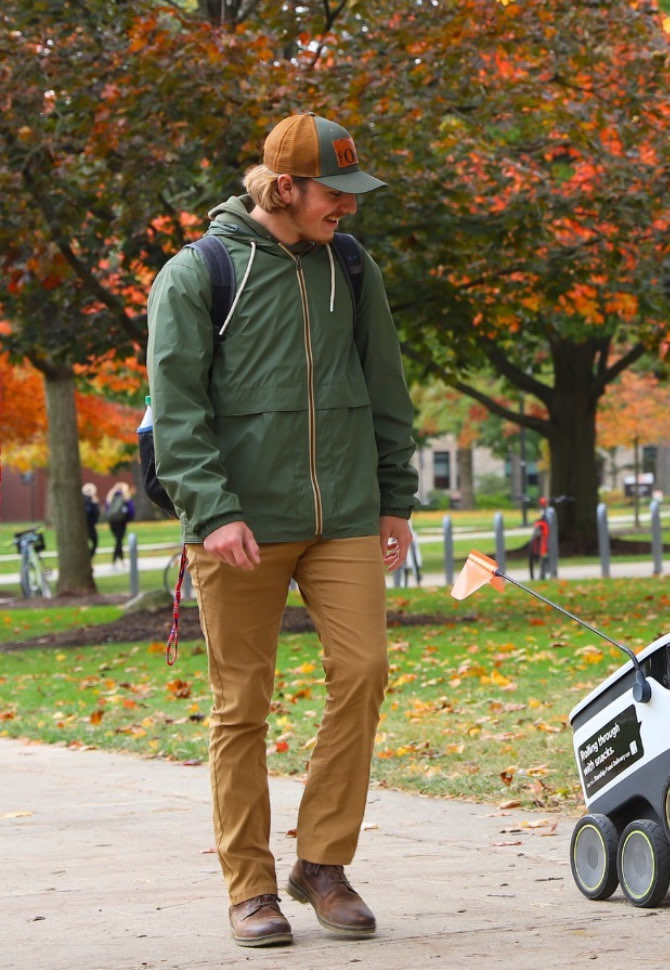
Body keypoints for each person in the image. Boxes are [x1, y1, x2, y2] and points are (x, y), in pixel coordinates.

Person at [145, 112, 418, 948]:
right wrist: (213, 511)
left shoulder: (350, 264)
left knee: (364, 672)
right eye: (335, 193)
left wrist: (394, 496)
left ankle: (323, 864)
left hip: (341, 512)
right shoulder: (199, 273)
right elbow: (177, 412)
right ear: (286, 187)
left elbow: (385, 384)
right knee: (242, 708)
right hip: (240, 528)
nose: (348, 208)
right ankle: (251, 888)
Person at [105, 482, 135, 567]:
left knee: (118, 541)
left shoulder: (111, 496)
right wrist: (128, 519)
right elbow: (131, 510)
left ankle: (121, 560)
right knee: (119, 541)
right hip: (122, 522)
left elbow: (107, 509)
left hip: (112, 522)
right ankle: (114, 560)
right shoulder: (125, 497)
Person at [82, 484, 101, 561]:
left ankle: (87, 559)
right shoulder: (91, 502)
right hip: (90, 526)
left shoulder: (82, 501)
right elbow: (96, 514)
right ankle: (88, 559)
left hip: (86, 526)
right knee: (94, 543)